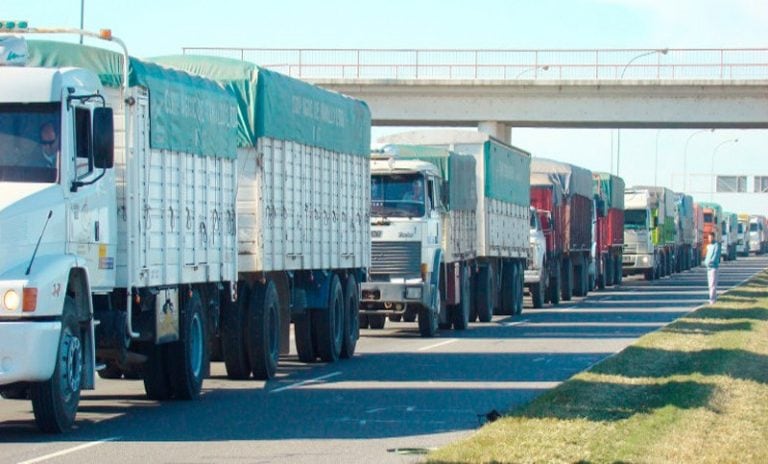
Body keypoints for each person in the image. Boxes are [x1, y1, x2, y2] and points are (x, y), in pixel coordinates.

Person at [703, 232, 721, 304]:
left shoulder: (716, 246)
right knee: (709, 285)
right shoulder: (709, 246)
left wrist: (710, 262)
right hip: (708, 268)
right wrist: (705, 262)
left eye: (711, 237)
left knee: (712, 284)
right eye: (709, 237)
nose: (709, 239)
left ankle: (712, 300)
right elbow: (707, 255)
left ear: (714, 237)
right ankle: (711, 298)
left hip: (714, 267)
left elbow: (715, 256)